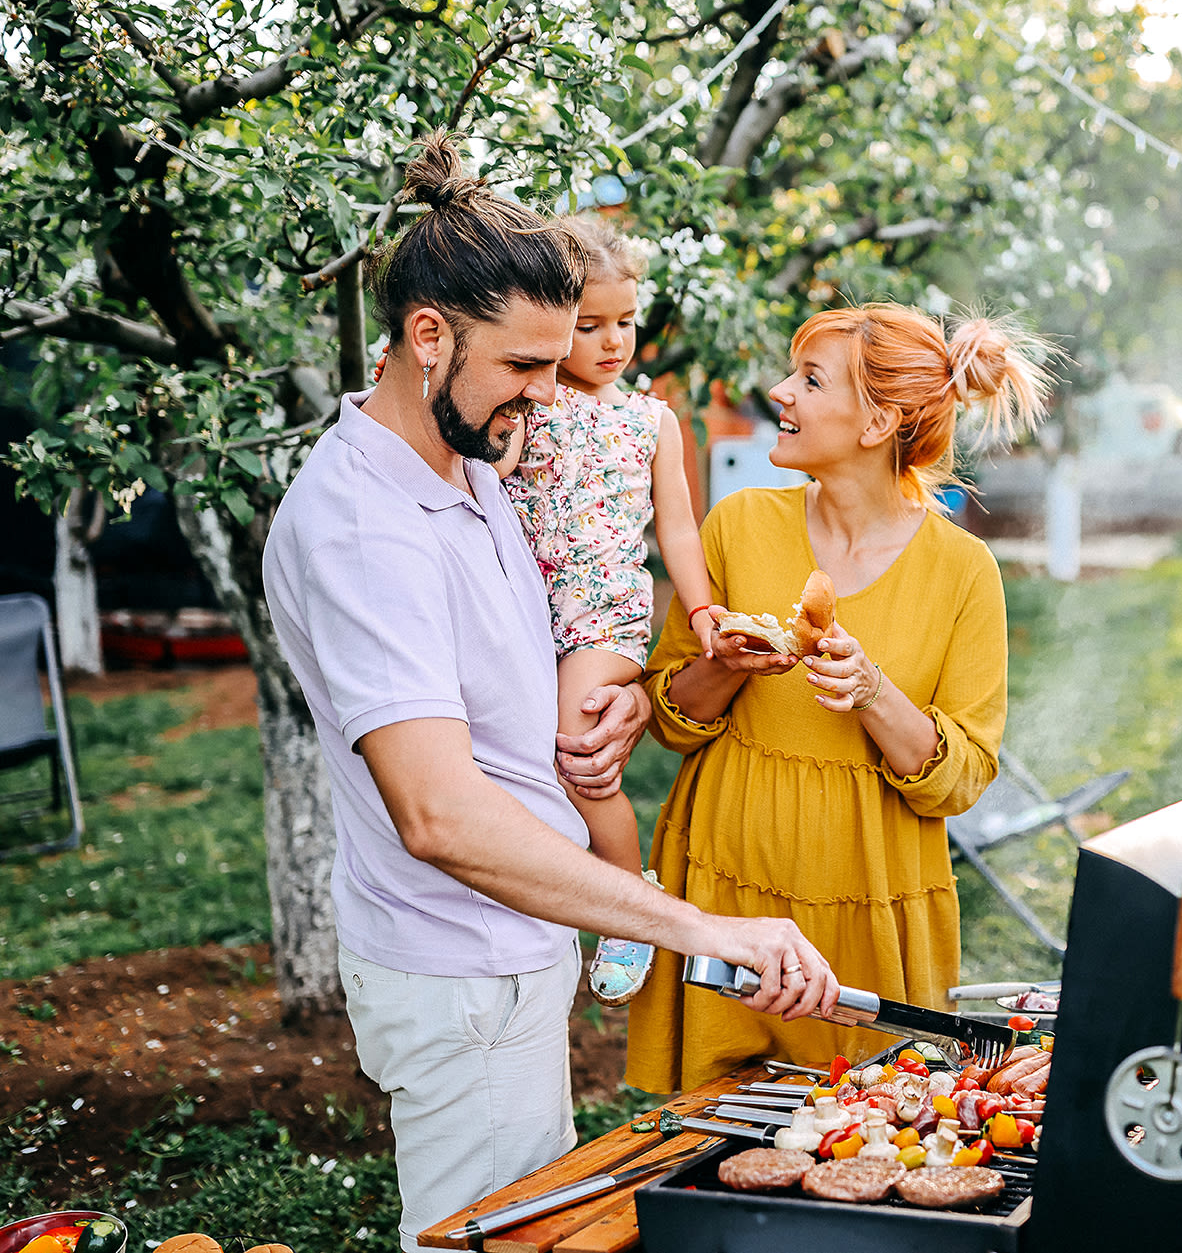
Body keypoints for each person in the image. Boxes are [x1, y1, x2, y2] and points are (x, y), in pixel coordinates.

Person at [262, 132, 837, 1252]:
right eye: (525, 367)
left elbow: (518, 643)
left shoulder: (469, 453)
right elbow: (436, 815)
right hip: (460, 970)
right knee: (488, 1243)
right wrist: (694, 926)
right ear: (428, 337)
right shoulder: (363, 530)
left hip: (522, 948)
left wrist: (606, 701)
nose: (549, 392)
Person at [624, 303, 1048, 1093]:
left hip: (870, 903)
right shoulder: (740, 524)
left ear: (878, 420)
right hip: (724, 883)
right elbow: (670, 720)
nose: (780, 391)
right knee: (713, 1146)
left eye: (810, 379)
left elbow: (960, 777)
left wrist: (872, 690)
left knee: (867, 1134)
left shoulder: (962, 571)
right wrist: (728, 662)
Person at [495, 212, 716, 1006]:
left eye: (625, 321)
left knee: (578, 751)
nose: (613, 340)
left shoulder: (649, 420)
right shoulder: (527, 403)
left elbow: (679, 527)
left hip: (600, 615)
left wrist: (700, 614)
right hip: (520, 609)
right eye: (590, 325)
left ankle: (630, 902)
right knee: (519, 760)